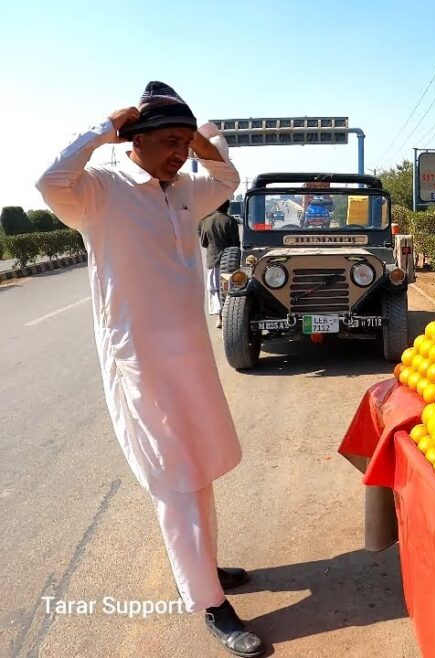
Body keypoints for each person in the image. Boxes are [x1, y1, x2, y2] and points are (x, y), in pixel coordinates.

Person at [35, 82, 263, 657]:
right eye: (168, 141)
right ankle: (210, 602)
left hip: (189, 358)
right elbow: (49, 182)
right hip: (139, 362)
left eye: (183, 143)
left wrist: (205, 139)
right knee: (175, 474)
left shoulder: (186, 190)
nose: (179, 153)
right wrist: (100, 130)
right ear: (133, 140)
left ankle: (204, 568)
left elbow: (229, 180)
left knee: (199, 468)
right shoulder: (100, 191)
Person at [198, 200, 240, 328]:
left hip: (213, 260)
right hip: (229, 262)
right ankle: (229, 315)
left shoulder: (205, 221)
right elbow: (235, 243)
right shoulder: (230, 221)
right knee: (230, 288)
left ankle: (219, 317)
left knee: (215, 289)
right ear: (227, 207)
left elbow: (204, 242)